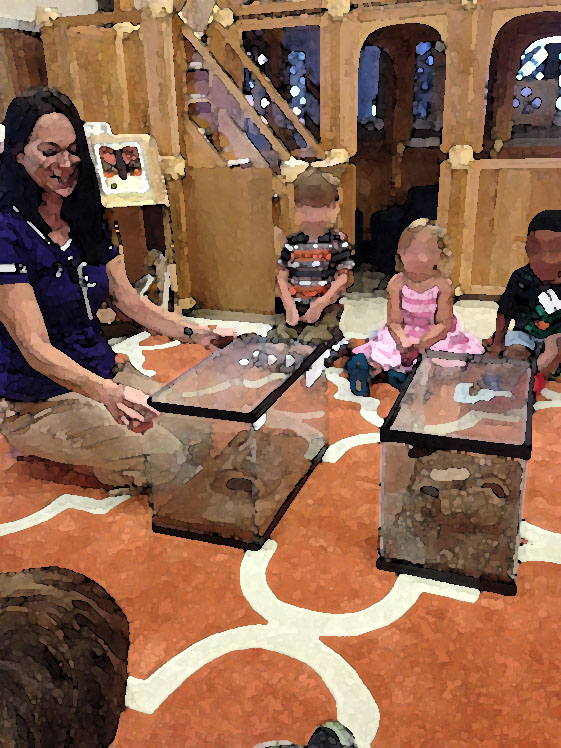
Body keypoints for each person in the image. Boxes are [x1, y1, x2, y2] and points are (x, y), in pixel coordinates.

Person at [0, 87, 229, 491]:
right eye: (50, 151)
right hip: (40, 398)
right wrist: (109, 394)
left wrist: (200, 333)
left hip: (104, 371)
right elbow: (35, 347)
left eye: (73, 150)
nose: (66, 164)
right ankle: (47, 445)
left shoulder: (84, 215)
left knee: (199, 434)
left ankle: (106, 448)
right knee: (168, 459)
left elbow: (128, 300)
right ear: (18, 154)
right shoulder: (7, 231)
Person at [348, 218, 484, 395]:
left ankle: (409, 375)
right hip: (403, 332)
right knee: (384, 347)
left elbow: (443, 324)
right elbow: (394, 321)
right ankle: (368, 369)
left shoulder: (443, 284)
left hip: (433, 334)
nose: (414, 257)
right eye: (408, 250)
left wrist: (420, 346)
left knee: (444, 357)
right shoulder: (396, 283)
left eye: (424, 251)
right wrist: (403, 342)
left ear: (440, 256)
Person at [268, 168, 354, 347]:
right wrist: (288, 304)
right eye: (303, 207)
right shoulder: (293, 242)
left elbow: (343, 278)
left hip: (326, 309)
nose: (311, 215)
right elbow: (282, 275)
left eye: (318, 208)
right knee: (278, 338)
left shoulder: (337, 241)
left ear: (333, 208)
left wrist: (321, 303)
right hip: (296, 305)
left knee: (314, 341)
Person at [486, 210, 561, 397]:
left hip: (556, 337)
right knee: (515, 351)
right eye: (536, 251)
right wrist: (497, 343)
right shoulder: (521, 278)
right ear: (527, 248)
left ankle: (533, 380)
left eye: (552, 252)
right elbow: (504, 312)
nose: (543, 259)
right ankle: (514, 375)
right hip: (525, 334)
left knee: (554, 346)